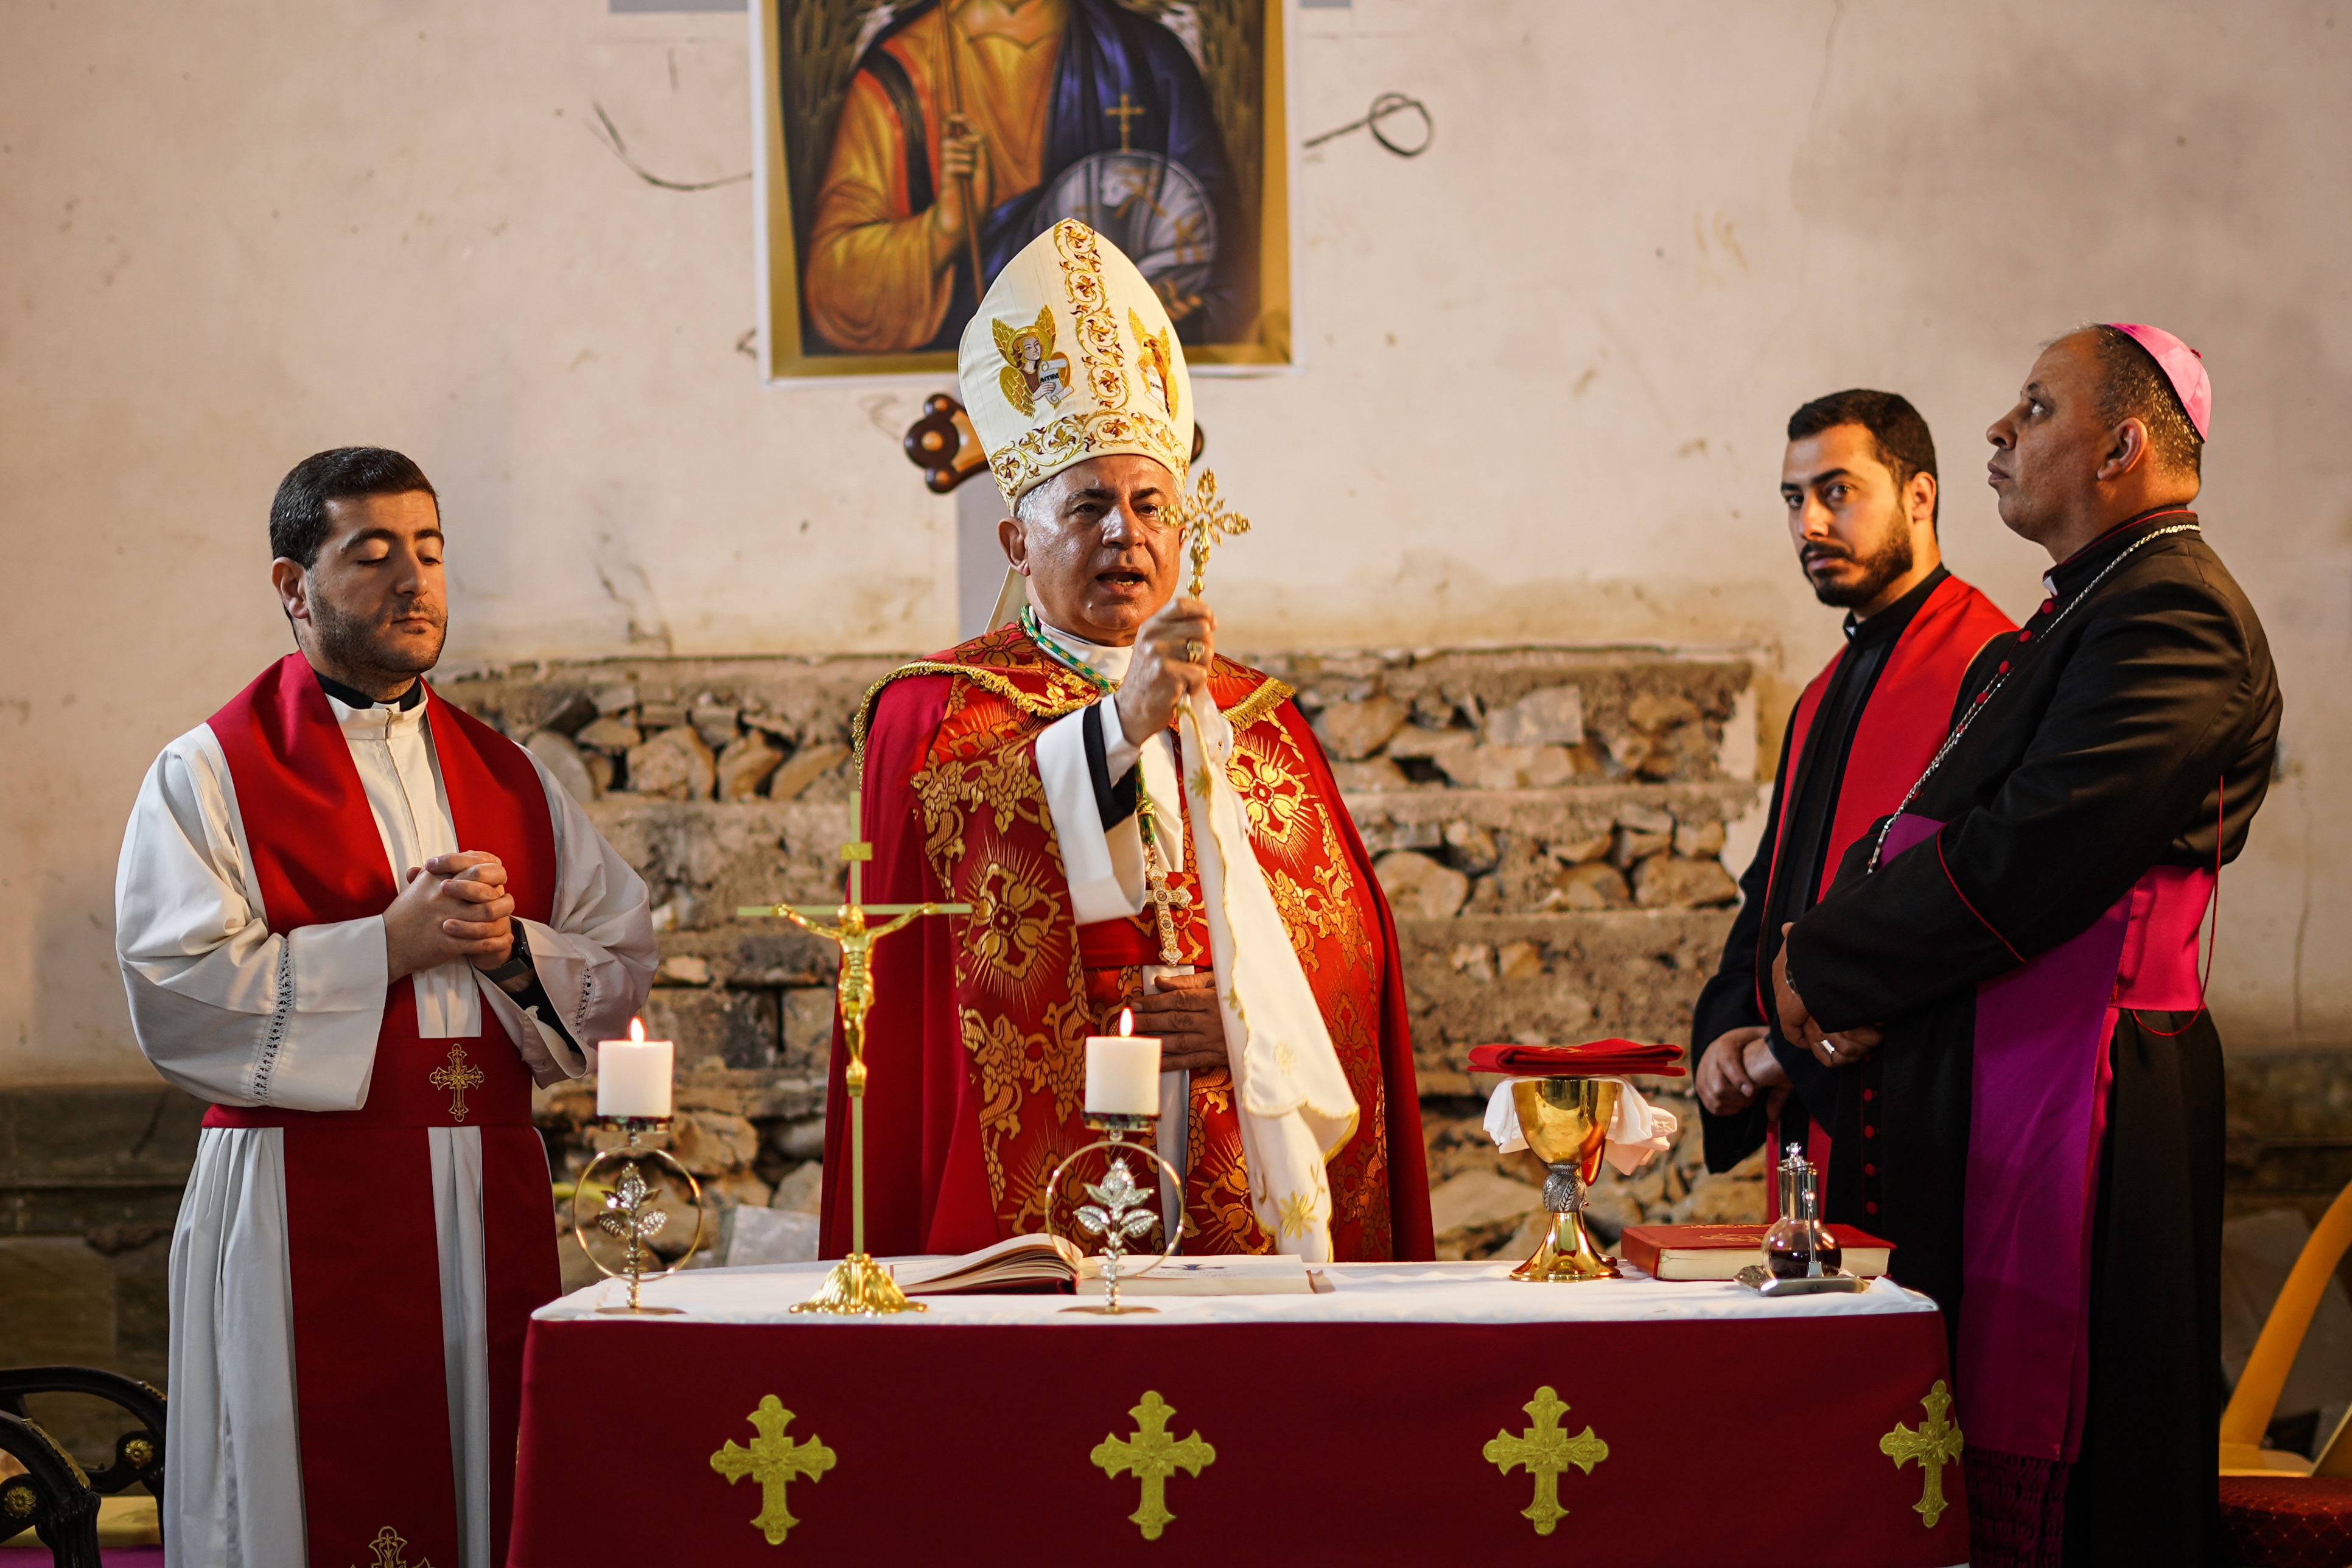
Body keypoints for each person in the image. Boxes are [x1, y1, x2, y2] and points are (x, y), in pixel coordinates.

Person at [824, 218, 1432, 1263]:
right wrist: (1118, 727)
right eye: (1088, 506)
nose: (1125, 532)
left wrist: (1247, 1024)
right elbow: (962, 882)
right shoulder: (936, 708)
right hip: (1050, 1169)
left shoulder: (1257, 715)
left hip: (1238, 1157)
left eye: (1151, 503)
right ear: (1016, 541)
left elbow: (1348, 950)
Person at [1772, 326, 2279, 1565]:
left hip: (2092, 1094)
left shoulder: (2177, 612)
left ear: (2124, 446)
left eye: (2035, 407)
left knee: (2096, 1466)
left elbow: (2031, 852)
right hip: (2006, 1074)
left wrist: (1821, 967)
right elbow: (1930, 826)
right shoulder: (2093, 606)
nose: (1999, 428)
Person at [115, 449, 654, 1568]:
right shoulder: (207, 772)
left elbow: (620, 965)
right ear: (291, 585)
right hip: (302, 1199)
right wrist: (384, 949)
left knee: (487, 1486)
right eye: (371, 554)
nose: (414, 581)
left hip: (487, 1189)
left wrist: (514, 952)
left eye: (429, 551)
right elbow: (177, 989)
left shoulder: (509, 775)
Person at [1692, 391, 2013, 1185]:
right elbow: (1770, 890)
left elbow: (1963, 904)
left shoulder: (1993, 666)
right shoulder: (1820, 693)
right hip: (1797, 1097)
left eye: (1838, 492)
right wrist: (1730, 1031)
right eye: (1794, 500)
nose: (1809, 524)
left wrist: (1783, 1054)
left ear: (1919, 495)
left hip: (1911, 1104)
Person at [803, 0, 1245, 354]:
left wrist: (1171, 306)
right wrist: (944, 229)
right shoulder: (900, 74)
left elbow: (1222, 255)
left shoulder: (1149, 59)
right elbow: (838, 295)